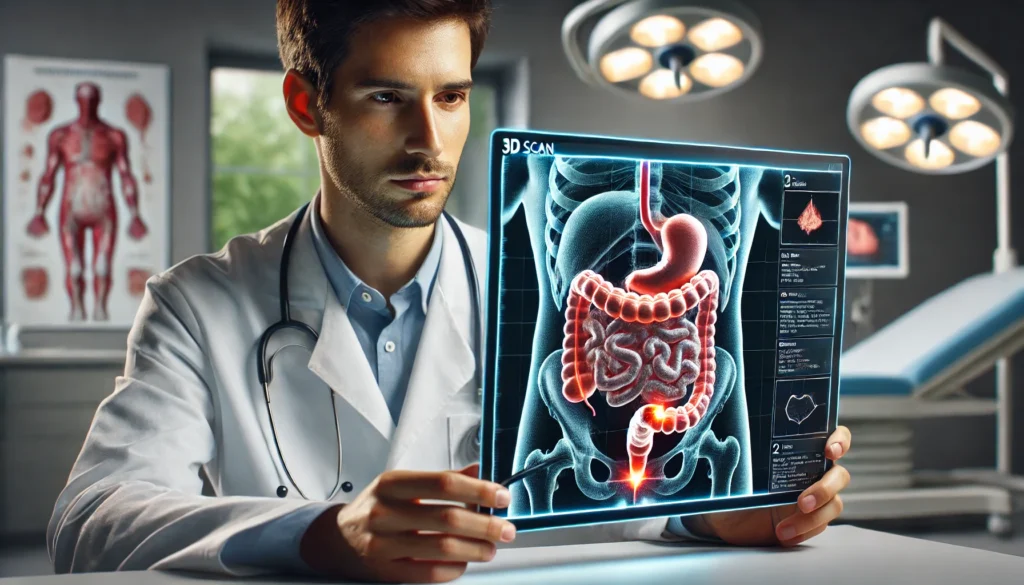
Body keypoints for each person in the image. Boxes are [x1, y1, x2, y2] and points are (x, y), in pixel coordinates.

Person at [47, 1, 853, 583]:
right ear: (306, 104)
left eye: (452, 97)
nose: (429, 141)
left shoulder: (542, 292)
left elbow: (593, 487)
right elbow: (90, 521)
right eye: (387, 98)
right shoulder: (199, 305)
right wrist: (323, 536)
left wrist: (721, 513)